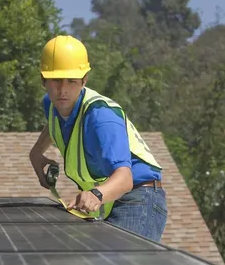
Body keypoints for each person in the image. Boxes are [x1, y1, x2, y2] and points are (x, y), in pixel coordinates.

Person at [29, 35, 167, 242]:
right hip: (111, 199)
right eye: (56, 80)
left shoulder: (102, 117)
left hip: (140, 199)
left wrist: (96, 195)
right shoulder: (51, 104)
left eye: (72, 81)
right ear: (43, 80)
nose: (63, 90)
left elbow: (125, 178)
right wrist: (36, 151)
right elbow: (55, 120)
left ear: (84, 80)